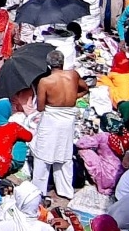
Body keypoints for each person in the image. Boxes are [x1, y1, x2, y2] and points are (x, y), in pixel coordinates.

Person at [30, 51, 87, 199]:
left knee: (43, 155)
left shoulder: (45, 81)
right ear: (62, 62)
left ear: (49, 64)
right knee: (64, 154)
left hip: (51, 119)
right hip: (68, 120)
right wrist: (73, 97)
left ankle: (39, 190)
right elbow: (85, 89)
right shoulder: (73, 75)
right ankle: (65, 191)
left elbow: (40, 107)